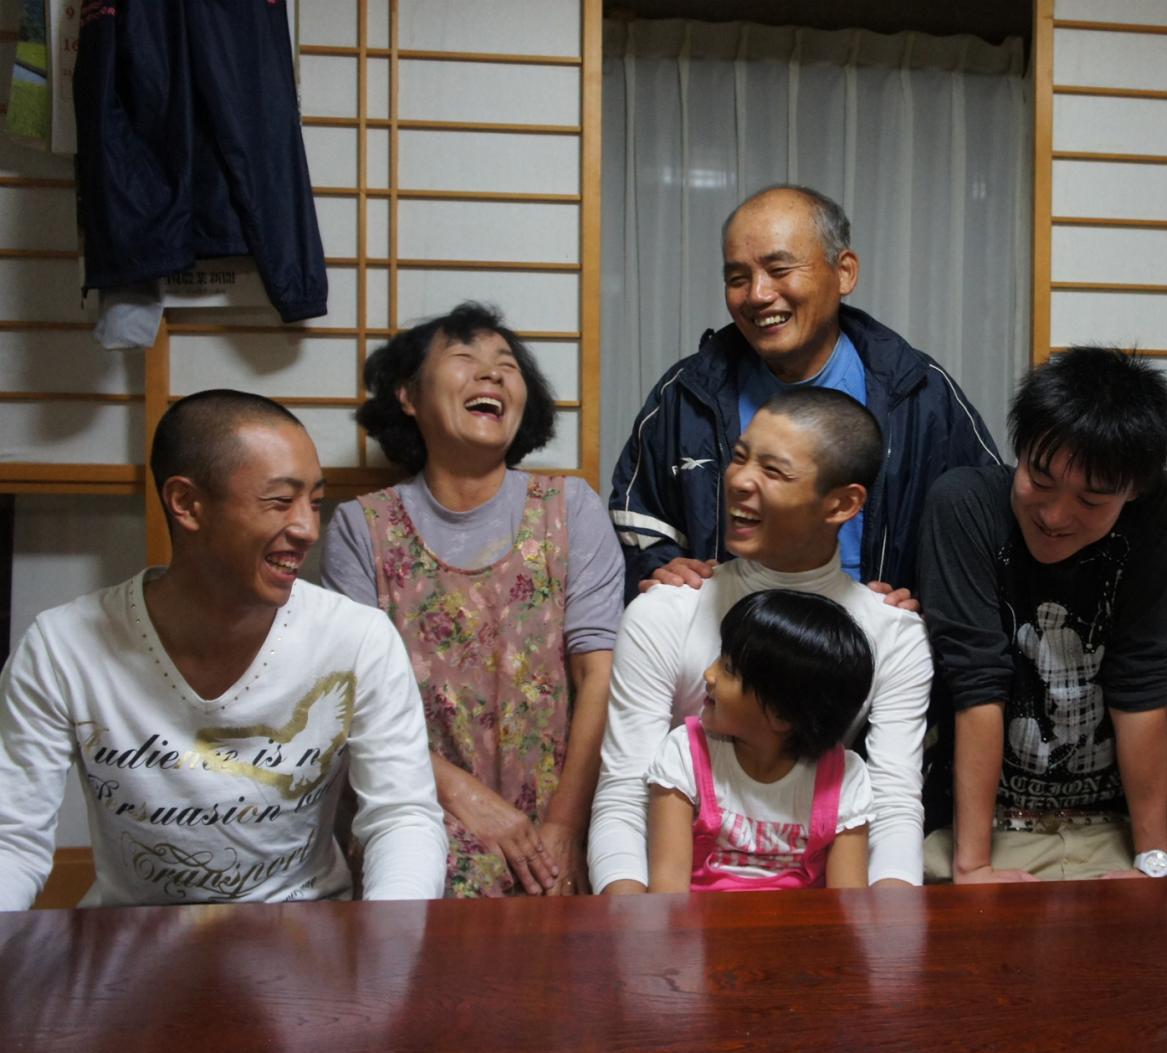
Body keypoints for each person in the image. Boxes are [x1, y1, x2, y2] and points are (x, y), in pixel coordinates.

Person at [0, 390, 446, 910]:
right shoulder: (63, 647)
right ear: (187, 503)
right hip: (130, 939)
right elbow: (12, 836)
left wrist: (389, 940)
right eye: (280, 501)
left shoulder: (356, 638)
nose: (307, 528)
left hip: (304, 937)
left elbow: (402, 816)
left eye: (315, 501)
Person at [322, 303, 623, 898]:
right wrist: (468, 802)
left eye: (506, 366)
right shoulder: (362, 527)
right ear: (408, 396)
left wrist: (563, 827)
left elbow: (599, 678)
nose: (491, 375)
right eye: (464, 359)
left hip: (561, 812)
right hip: (420, 813)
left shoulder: (571, 510)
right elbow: (352, 708)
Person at [590, 387, 934, 892]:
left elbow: (893, 802)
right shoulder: (666, 610)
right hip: (676, 900)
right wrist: (635, 926)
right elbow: (624, 796)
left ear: (843, 503)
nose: (739, 482)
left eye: (773, 471)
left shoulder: (893, 632)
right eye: (739, 458)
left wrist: (886, 940)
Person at [609, 183, 1002, 598]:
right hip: (725, 636)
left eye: (779, 271)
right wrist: (662, 567)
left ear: (844, 272)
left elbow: (983, 523)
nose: (758, 295)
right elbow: (636, 518)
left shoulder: (918, 390)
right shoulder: (688, 393)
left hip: (874, 644)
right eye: (738, 278)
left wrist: (930, 603)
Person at [917, 348, 1167, 884]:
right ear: (1019, 450)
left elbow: (1140, 681)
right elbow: (977, 684)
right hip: (987, 829)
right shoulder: (964, 504)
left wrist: (1153, 863)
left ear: (1134, 492)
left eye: (1091, 501)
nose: (1055, 516)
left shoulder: (1157, 512)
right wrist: (974, 868)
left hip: (1109, 828)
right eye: (1039, 481)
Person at [647, 589, 875, 893]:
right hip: (699, 932)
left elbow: (848, 905)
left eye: (728, 669)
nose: (709, 673)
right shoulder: (685, 753)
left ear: (781, 715)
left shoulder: (842, 779)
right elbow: (668, 890)